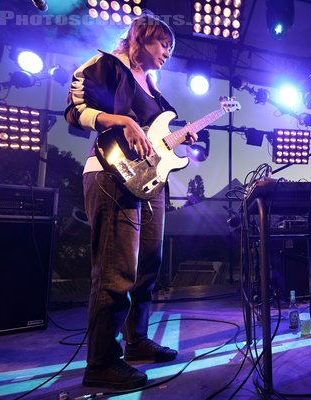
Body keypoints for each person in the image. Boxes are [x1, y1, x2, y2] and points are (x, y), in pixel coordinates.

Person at [65, 14, 197, 389]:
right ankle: (102, 362)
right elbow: (74, 110)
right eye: (162, 44)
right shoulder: (107, 63)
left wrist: (178, 140)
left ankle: (136, 342)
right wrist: (120, 120)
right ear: (142, 37)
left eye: (171, 48)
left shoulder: (154, 88)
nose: (167, 53)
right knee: (115, 268)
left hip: (148, 183)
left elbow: (156, 137)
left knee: (148, 265)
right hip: (109, 173)